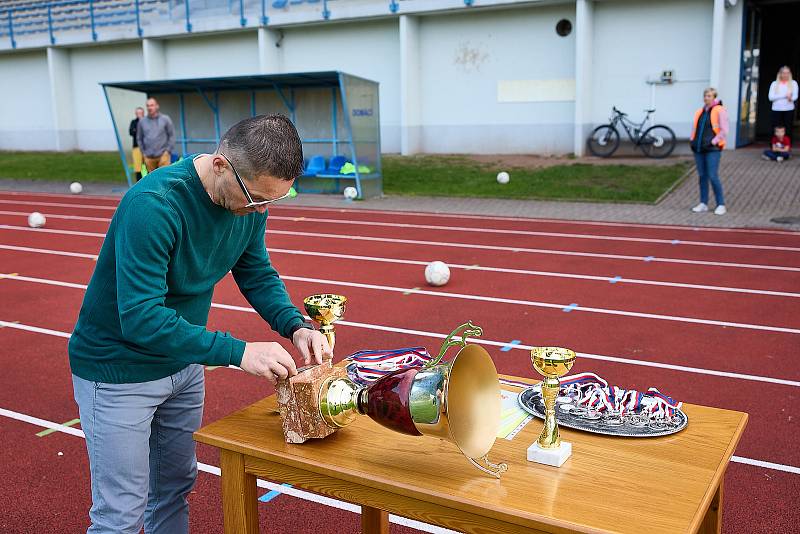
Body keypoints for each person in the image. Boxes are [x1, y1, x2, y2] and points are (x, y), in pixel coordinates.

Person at [69, 114, 330, 534]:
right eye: (257, 199)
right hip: (118, 371)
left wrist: (296, 324)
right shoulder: (153, 206)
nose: (261, 210)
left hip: (183, 365)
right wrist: (239, 352)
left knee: (174, 488)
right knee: (120, 514)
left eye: (273, 201)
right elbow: (141, 318)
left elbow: (256, 271)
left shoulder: (247, 200)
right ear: (221, 165)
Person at [689, 87, 728, 216]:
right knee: (702, 177)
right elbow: (695, 129)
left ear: (714, 97)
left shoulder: (719, 110)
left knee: (713, 176)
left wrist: (714, 141)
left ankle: (720, 204)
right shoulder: (700, 112)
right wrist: (692, 141)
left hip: (712, 149)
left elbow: (724, 130)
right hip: (699, 149)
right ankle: (703, 203)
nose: (707, 98)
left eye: (709, 96)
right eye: (705, 95)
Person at [137, 97, 176, 172]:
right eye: (148, 106)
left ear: (157, 106)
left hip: (163, 155)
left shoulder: (165, 119)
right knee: (153, 181)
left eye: (152, 105)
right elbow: (139, 138)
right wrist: (144, 153)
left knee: (164, 178)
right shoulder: (142, 122)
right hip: (149, 157)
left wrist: (167, 151)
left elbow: (172, 135)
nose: (149, 107)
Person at [768, 66, 798, 131]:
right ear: (780, 74)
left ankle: (787, 141)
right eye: (784, 73)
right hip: (776, 109)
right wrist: (785, 95)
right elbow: (770, 97)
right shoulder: (774, 83)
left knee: (788, 129)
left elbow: (795, 97)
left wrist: (791, 98)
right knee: (775, 129)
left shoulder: (794, 83)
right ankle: (776, 141)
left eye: (787, 73)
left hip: (789, 109)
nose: (785, 75)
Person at [129, 107, 145, 181]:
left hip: (147, 148)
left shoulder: (147, 121)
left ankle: (147, 182)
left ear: (143, 113)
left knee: (148, 166)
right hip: (137, 147)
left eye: (141, 113)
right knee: (138, 167)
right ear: (136, 114)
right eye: (138, 113)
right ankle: (138, 183)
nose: (139, 114)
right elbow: (131, 132)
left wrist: (136, 130)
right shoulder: (133, 122)